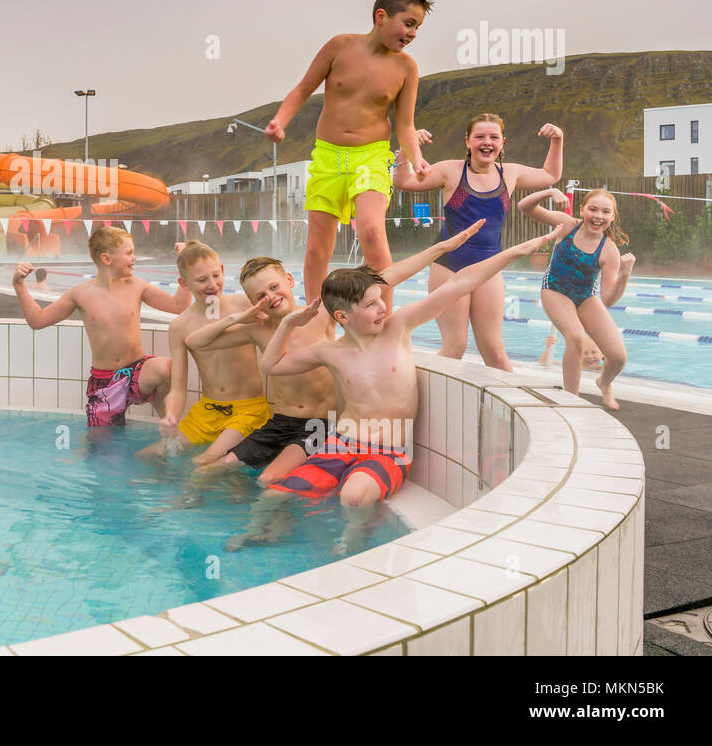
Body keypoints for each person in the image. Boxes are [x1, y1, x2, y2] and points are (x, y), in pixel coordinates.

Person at [228, 222, 566, 553]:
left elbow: (459, 284)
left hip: (388, 451)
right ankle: (261, 535)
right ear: (343, 317)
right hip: (339, 444)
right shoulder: (329, 352)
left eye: (381, 300)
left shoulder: (398, 327)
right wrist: (288, 323)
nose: (383, 308)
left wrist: (516, 250)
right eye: (372, 304)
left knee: (354, 496)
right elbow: (270, 366)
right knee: (273, 493)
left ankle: (352, 546)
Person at [184, 221, 485, 485]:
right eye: (260, 296)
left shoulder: (323, 313)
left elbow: (387, 277)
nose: (271, 297)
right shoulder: (258, 329)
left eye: (274, 287)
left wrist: (442, 248)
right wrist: (239, 318)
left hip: (321, 423)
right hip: (279, 422)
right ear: (253, 301)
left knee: (269, 478)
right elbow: (196, 342)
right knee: (215, 468)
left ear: (289, 281)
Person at [264, 0, 434, 313]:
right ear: (381, 16)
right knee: (316, 249)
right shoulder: (339, 46)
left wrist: (417, 158)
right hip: (327, 158)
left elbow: (405, 124)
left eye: (418, 27)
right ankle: (316, 316)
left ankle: (383, 315)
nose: (413, 33)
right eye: (409, 23)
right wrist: (280, 122)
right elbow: (301, 90)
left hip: (371, 157)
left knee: (371, 232)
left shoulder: (406, 67)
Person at [392, 114, 564, 369]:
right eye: (480, 137)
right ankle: (415, 402)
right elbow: (403, 181)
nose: (487, 142)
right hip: (450, 266)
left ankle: (512, 405)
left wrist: (557, 140)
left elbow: (550, 175)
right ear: (468, 141)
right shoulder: (451, 170)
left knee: (493, 349)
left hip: (489, 268)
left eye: (494, 137)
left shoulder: (510, 174)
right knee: (455, 346)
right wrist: (406, 151)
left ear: (502, 142)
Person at [12, 226, 192, 426]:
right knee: (103, 450)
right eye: (130, 253)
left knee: (168, 368)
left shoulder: (137, 286)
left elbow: (179, 306)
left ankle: (166, 419)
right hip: (105, 381)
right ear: (107, 259)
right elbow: (38, 320)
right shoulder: (80, 294)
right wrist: (19, 286)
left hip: (138, 371)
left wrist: (186, 266)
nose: (134, 258)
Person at [148, 241, 270, 464]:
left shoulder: (244, 304)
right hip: (207, 411)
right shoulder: (180, 326)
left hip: (248, 409)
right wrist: (171, 416)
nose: (212, 284)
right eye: (202, 280)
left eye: (215, 275)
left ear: (222, 270)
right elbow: (178, 389)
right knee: (151, 456)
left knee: (204, 462)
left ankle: (188, 499)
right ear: (183, 283)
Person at [518, 187, 634, 409]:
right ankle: (572, 398)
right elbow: (524, 206)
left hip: (585, 296)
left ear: (612, 216)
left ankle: (604, 383)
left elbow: (607, 299)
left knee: (618, 357)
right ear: (582, 210)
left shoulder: (609, 251)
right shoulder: (568, 225)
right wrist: (550, 191)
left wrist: (625, 275)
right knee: (575, 336)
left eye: (605, 212)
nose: (598, 216)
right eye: (593, 209)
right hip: (554, 289)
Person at [538, 330, 604, 372]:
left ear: (602, 354)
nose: (590, 356)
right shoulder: (572, 366)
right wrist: (548, 347)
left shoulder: (603, 369)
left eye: (594, 352)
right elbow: (543, 362)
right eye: (585, 353)